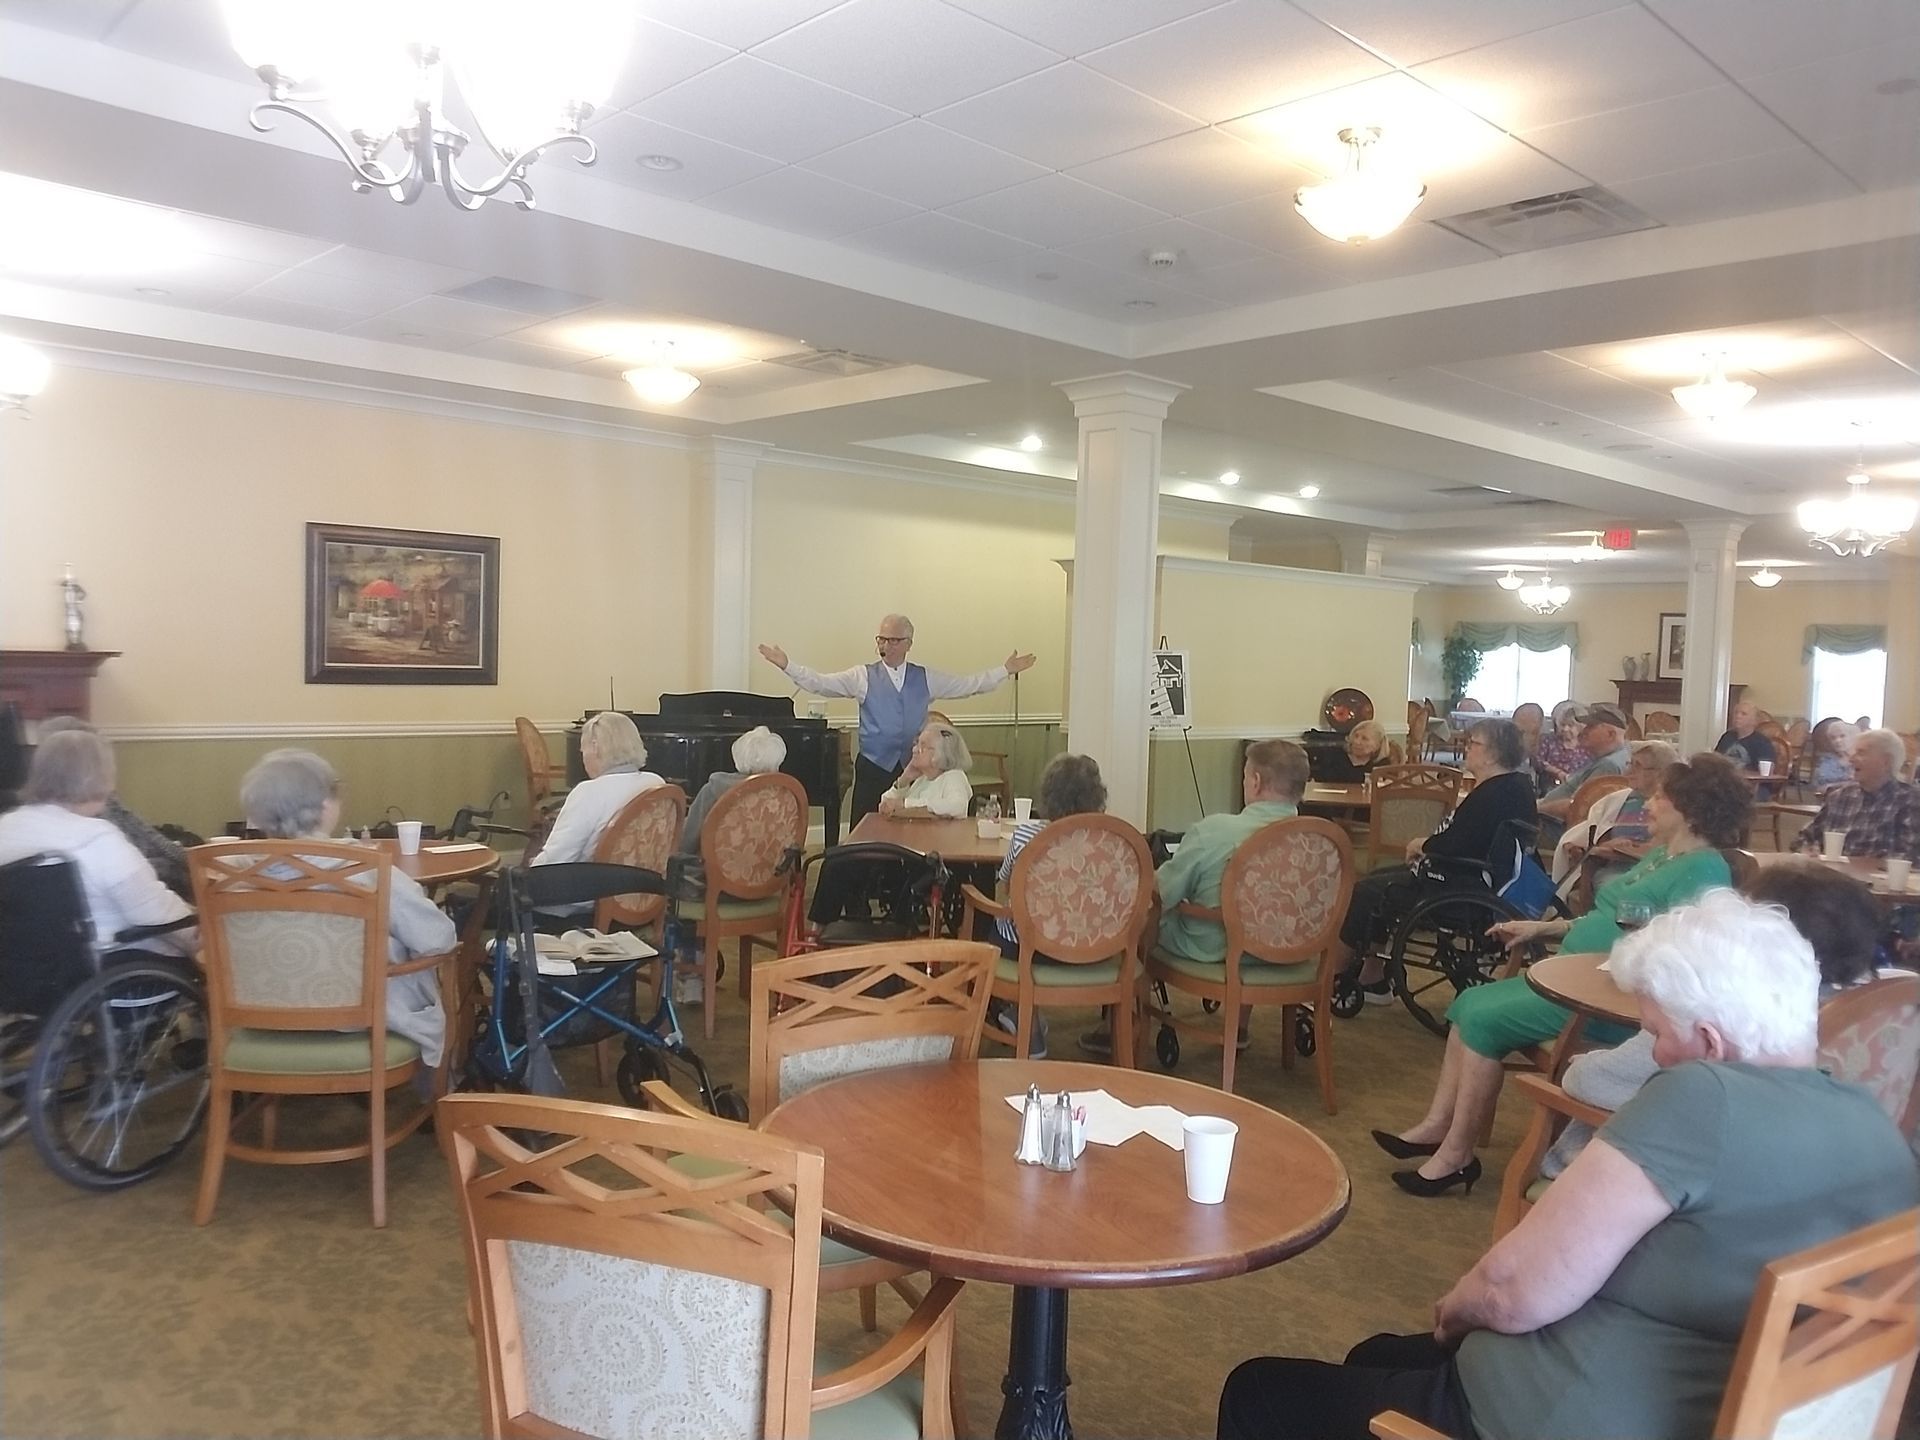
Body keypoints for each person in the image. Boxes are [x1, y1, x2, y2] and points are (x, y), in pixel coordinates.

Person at [1214, 890, 1919, 1440]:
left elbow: (1511, 1292)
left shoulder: (1703, 1098)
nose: (1657, 1056)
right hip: (1709, 1404)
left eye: (1656, 1035)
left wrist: (1455, 1315)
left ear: (1708, 1039)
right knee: (1374, 1355)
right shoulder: (1875, 1127)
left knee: (1259, 1390)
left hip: (1553, 1414)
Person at [1375, 753, 1750, 1196]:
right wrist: (1543, 927)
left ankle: (1456, 1155)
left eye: (1659, 796)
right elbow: (1606, 919)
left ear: (1690, 809)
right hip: (1575, 977)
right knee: (1468, 1005)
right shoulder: (1664, 858)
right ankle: (1440, 1125)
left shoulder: (1704, 870)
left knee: (1479, 1017)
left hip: (1607, 998)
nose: (1647, 802)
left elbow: (1688, 952)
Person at [1541, 858, 1884, 1177]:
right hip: (1828, 1178)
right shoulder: (1890, 1010)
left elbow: (1590, 1082)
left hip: (1660, 1174)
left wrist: (1582, 1061)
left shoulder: (1714, 1013)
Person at [1084, 740, 1308, 1056]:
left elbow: (1161, 890)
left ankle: (1116, 1029)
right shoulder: (1318, 839)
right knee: (1261, 918)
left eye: (1246, 776)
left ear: (1255, 781)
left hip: (1215, 948)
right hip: (1294, 946)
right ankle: (1239, 1027)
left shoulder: (1216, 832)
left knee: (1138, 922)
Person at [239, 748, 453, 1075]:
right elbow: (437, 940)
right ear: (325, 806)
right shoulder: (366, 869)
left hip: (262, 1017)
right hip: (366, 1021)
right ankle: (436, 1090)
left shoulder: (231, 874)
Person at [758, 615, 1034, 824]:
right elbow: (820, 683)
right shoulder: (862, 676)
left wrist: (1004, 671)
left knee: (907, 826)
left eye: (893, 640)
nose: (885, 645)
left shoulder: (926, 677)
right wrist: (787, 665)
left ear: (908, 644)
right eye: (881, 639)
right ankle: (860, 894)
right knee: (865, 826)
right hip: (874, 766)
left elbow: (968, 684)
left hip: (914, 767)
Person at [1337, 719, 1537, 1003]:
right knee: (1379, 880)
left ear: (1492, 754)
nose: (1467, 748)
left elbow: (1457, 843)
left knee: (1367, 890)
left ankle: (1340, 974)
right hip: (1479, 877)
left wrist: (1422, 845)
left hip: (1462, 884)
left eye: (1474, 744)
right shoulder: (1513, 785)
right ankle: (1372, 975)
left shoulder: (1492, 794)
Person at [0, 728, 195, 956]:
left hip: (27, 979)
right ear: (102, 777)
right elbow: (156, 914)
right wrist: (200, 919)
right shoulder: (99, 838)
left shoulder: (6, 826)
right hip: (117, 971)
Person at [981, 753, 1108, 1060]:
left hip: (1033, 950)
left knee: (1008, 922)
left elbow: (1006, 881)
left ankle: (1029, 1023)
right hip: (1098, 949)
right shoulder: (1112, 838)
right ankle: (1114, 1030)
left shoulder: (1026, 836)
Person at [35, 715, 192, 900]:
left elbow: (147, 834)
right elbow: (125, 869)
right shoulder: (89, 821)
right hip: (137, 893)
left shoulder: (99, 799)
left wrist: (189, 857)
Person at [531, 711, 666, 867]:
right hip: (649, 886)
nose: (583, 758)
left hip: (597, 887)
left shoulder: (588, 793)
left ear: (595, 747)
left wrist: (530, 867)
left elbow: (554, 861)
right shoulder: (656, 783)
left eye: (583, 751)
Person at [1548, 738, 1677, 885]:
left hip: (1661, 869)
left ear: (1661, 773)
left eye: (1638, 766)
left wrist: (1639, 849)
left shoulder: (1675, 806)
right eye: (1630, 763)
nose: (1628, 771)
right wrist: (1608, 847)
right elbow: (1593, 840)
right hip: (1617, 871)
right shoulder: (1617, 801)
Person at [676, 725, 787, 892]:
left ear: (738, 757)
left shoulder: (715, 789)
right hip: (770, 882)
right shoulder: (787, 792)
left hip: (715, 884)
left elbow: (688, 838)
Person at [1795, 727, 1917, 861]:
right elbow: (1805, 837)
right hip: (1832, 877)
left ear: (1885, 761)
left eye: (1861, 753)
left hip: (1877, 879)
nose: (1851, 759)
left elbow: (1910, 857)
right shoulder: (1840, 796)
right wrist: (1806, 850)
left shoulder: (1909, 800)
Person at [1535, 703, 1632, 825]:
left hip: (1555, 828)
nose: (1583, 730)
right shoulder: (1614, 756)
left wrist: (1537, 808)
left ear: (1610, 734)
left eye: (1591, 727)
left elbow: (1577, 807)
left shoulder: (1608, 766)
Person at [877, 721, 972, 819]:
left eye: (922, 746)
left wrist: (905, 804)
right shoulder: (922, 778)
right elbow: (885, 804)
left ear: (941, 753)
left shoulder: (954, 776)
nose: (914, 750)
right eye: (916, 744)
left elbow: (958, 807)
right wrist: (904, 780)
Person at [1531, 702, 1587, 792]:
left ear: (1581, 726)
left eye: (1570, 725)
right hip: (1551, 786)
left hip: (1578, 786)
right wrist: (1557, 772)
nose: (1565, 729)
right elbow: (1537, 761)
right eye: (1563, 724)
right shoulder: (1548, 740)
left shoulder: (1587, 744)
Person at [1713, 698, 1776, 774]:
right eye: (1736, 713)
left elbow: (1766, 773)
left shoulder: (1762, 743)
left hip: (1748, 782)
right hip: (1724, 780)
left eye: (1743, 714)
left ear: (1754, 720)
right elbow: (1715, 761)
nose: (1738, 716)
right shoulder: (1727, 737)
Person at [1320, 719, 1391, 783]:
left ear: (1378, 745)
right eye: (1356, 736)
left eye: (1364, 738)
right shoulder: (1333, 756)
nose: (1357, 742)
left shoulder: (1382, 764)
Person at [1808, 716, 1858, 790]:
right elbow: (1824, 781)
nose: (1837, 741)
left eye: (1842, 736)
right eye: (1833, 738)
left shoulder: (1860, 758)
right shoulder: (1829, 761)